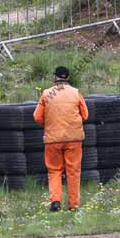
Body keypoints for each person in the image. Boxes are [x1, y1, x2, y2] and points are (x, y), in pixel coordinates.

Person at [33, 66, 89, 212]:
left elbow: (37, 117)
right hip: (74, 138)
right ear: (68, 78)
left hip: (53, 139)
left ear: (55, 78)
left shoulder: (46, 94)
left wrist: (49, 124)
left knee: (54, 171)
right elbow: (85, 115)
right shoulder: (76, 93)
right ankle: (73, 205)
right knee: (73, 171)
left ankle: (56, 201)